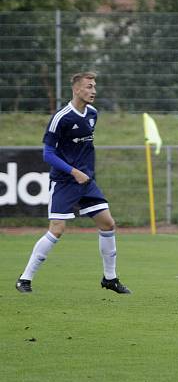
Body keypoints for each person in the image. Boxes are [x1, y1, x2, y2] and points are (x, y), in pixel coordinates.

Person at [15, 72, 131, 294]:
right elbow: (48, 154)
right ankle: (25, 278)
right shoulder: (62, 117)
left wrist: (84, 173)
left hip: (87, 182)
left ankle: (110, 279)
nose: (93, 91)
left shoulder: (93, 114)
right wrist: (73, 171)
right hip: (64, 182)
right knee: (57, 230)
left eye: (94, 86)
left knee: (108, 224)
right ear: (76, 90)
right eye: (89, 87)